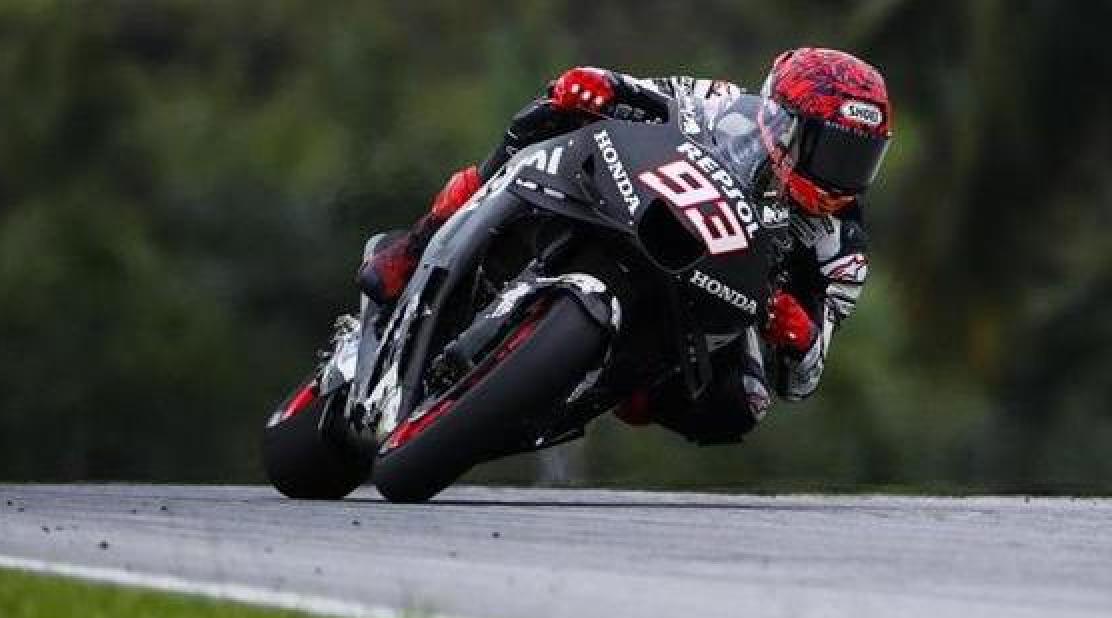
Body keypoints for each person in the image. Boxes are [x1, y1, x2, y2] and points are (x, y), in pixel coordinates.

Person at [357, 48, 892, 444]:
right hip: (639, 206)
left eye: (860, 159)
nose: (843, 177)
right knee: (550, 110)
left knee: (742, 406)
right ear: (782, 125)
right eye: (834, 152)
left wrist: (797, 336)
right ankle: (420, 242)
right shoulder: (725, 107)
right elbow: (644, 91)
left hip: (725, 300)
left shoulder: (842, 248)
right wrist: (595, 87)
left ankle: (619, 385)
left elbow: (804, 380)